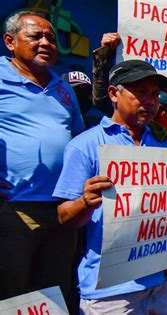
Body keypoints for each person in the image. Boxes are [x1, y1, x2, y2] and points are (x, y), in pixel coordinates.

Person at [53, 60, 167, 314]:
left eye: (155, 94)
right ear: (114, 94)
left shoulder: (162, 145)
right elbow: (65, 217)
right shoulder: (85, 146)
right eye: (140, 92)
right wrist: (85, 202)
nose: (150, 101)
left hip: (164, 284)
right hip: (112, 292)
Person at [0, 11, 84, 304]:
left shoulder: (63, 89)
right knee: (13, 294)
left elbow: (76, 140)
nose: (47, 42)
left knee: (53, 293)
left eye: (51, 37)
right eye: (36, 36)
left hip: (63, 211)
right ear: (10, 42)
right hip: (14, 209)